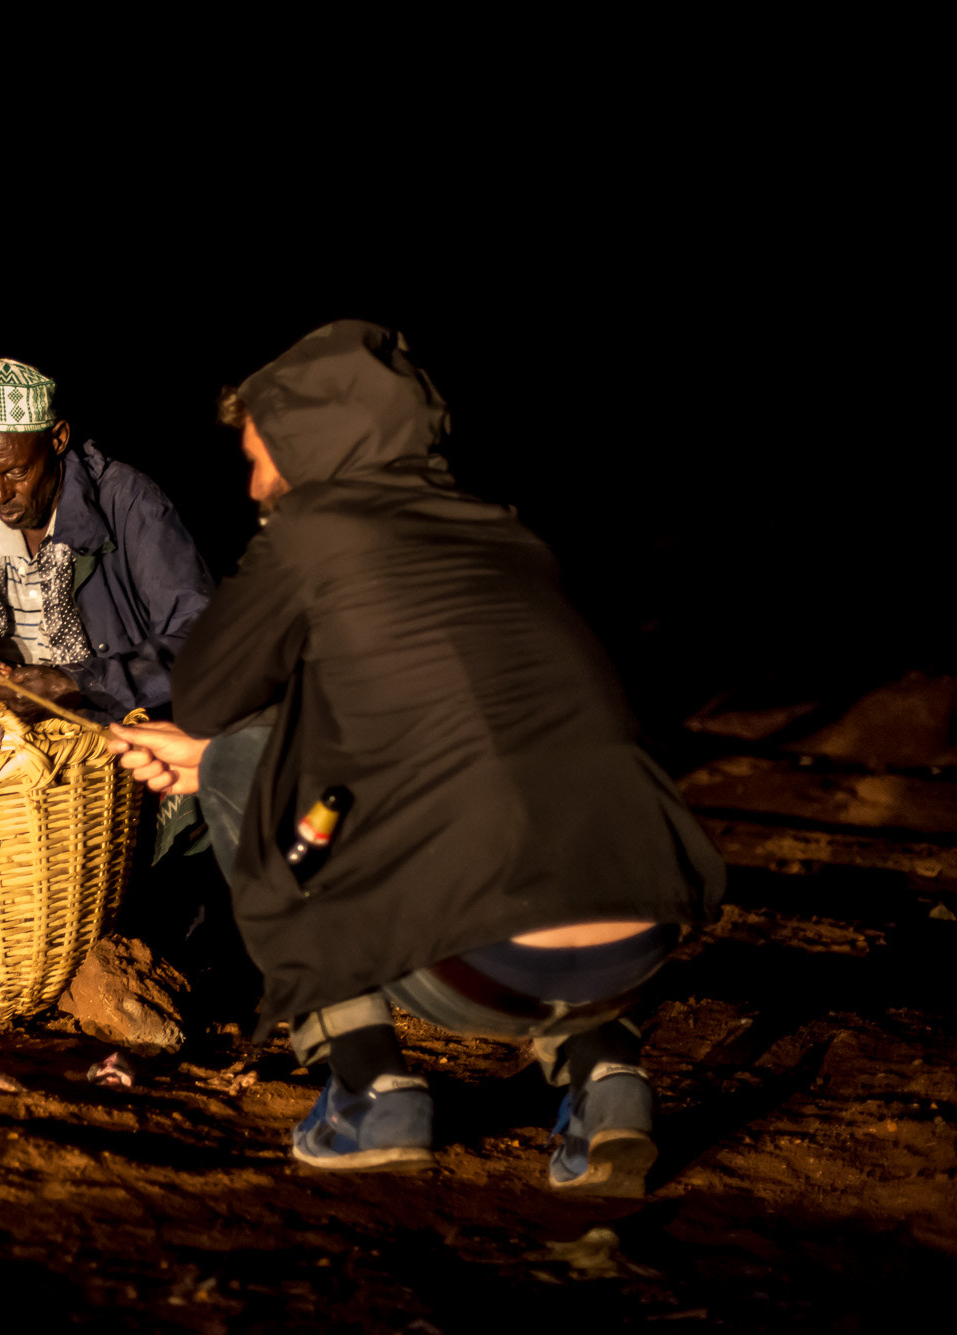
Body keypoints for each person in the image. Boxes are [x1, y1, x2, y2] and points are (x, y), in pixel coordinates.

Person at [106, 321, 724, 1197]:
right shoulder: (500, 530)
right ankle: (607, 1078)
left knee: (243, 761)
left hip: (488, 965)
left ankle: (367, 1086)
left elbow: (210, 695)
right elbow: (428, 733)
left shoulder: (315, 528)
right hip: (639, 934)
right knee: (521, 803)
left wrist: (216, 754)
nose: (252, 485)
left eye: (259, 457)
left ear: (307, 444)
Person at [0, 357, 214, 725]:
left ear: (57, 439)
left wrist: (79, 683)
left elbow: (202, 640)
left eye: (16, 471)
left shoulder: (127, 503)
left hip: (108, 747)